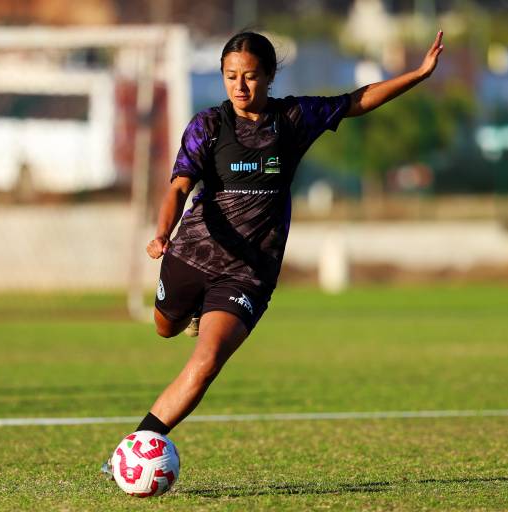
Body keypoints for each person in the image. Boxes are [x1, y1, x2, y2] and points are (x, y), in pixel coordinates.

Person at [134, 30, 443, 436]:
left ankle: (136, 447)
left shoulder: (293, 119)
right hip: (194, 252)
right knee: (165, 328)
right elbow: (179, 187)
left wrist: (418, 74)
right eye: (230, 76)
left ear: (269, 76)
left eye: (250, 76)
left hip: (248, 272)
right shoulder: (207, 125)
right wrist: (163, 233)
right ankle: (192, 312)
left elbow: (356, 101)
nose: (240, 86)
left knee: (206, 363)